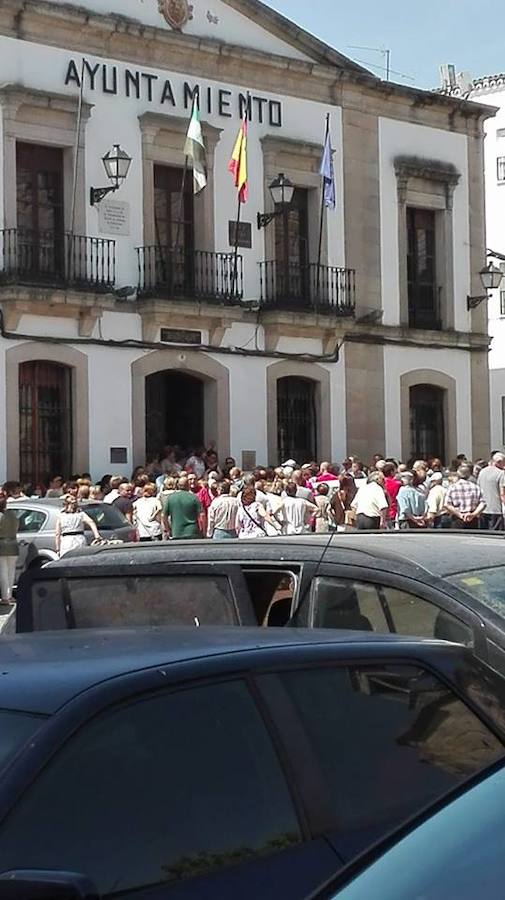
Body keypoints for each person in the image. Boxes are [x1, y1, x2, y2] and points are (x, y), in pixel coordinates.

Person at [444, 465, 486, 530]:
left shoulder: (452, 488)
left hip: (457, 519)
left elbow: (446, 504)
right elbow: (483, 503)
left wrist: (459, 514)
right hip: (472, 518)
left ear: (458, 474)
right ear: (469, 475)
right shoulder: (476, 487)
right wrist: (474, 514)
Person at [162, 475, 202, 540]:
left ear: (178, 485)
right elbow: (202, 515)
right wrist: (203, 530)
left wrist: (168, 530)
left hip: (176, 532)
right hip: (192, 532)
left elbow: (164, 516)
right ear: (188, 485)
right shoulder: (194, 497)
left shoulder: (171, 498)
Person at [477, 452, 505, 531]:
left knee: (484, 533)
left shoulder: (482, 471)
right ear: (499, 462)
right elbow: (502, 494)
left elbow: (478, 487)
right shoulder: (501, 474)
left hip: (482, 509)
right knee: (496, 535)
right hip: (496, 510)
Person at [0, 490, 19, 605]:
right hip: (13, 544)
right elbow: (17, 527)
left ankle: (5, 597)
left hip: (2, 545)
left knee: (3, 572)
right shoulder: (12, 515)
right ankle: (10, 595)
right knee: (11, 572)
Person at [383, 461, 400, 529]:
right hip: (393, 510)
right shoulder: (397, 484)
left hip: (383, 511)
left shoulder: (381, 483)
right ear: (391, 472)